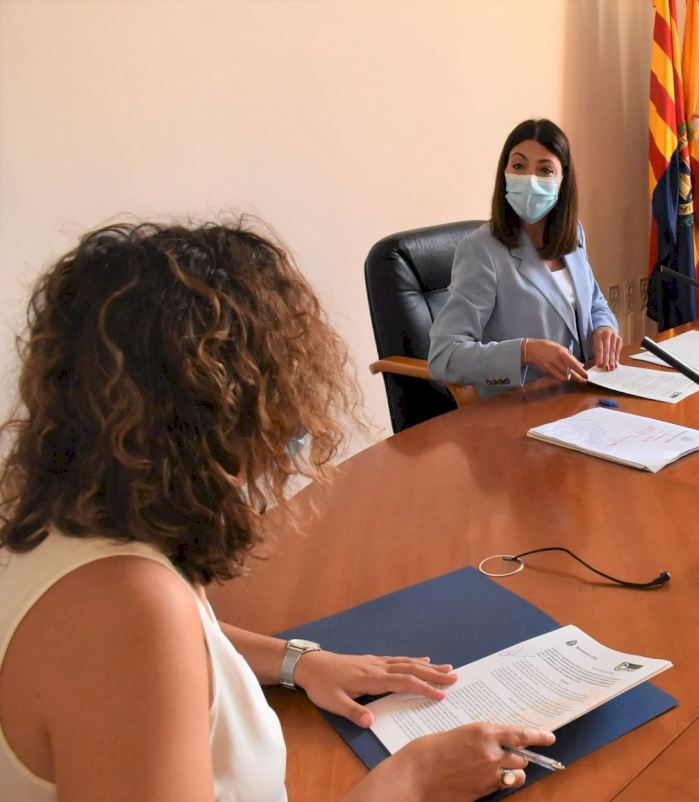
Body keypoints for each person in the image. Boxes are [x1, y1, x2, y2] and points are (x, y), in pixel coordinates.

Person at [0, 221, 553, 801]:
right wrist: (410, 781)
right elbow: (140, 642)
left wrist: (296, 662)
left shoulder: (70, 526)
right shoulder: (128, 611)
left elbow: (183, 641)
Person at [429, 118, 621, 396]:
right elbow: (444, 356)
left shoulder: (573, 235)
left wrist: (604, 327)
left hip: (582, 393)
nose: (530, 179)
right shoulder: (481, 250)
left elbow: (595, 303)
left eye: (545, 169)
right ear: (505, 172)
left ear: (563, 180)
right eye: (519, 166)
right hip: (523, 404)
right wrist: (524, 351)